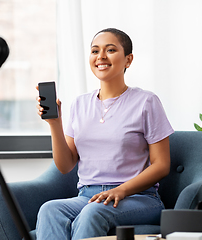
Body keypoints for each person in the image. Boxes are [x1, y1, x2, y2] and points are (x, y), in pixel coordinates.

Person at [35, 28, 174, 240]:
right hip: (88, 196)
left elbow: (162, 165)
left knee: (93, 213)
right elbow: (65, 166)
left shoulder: (146, 101)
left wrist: (122, 190)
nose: (101, 56)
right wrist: (55, 124)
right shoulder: (80, 104)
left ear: (128, 60)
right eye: (95, 51)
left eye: (110, 50)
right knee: (50, 210)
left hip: (137, 197)